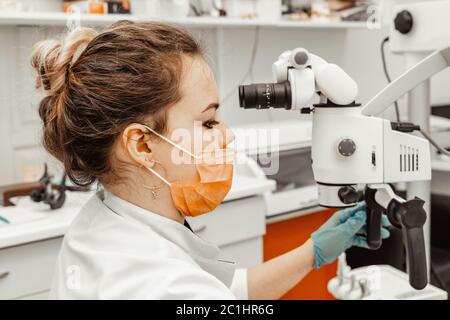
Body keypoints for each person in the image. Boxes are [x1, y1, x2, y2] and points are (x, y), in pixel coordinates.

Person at [31, 21, 390, 299]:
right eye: (208, 122)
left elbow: (218, 294)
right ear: (141, 146)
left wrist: (311, 251)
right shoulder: (159, 284)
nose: (227, 135)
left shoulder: (105, 218)